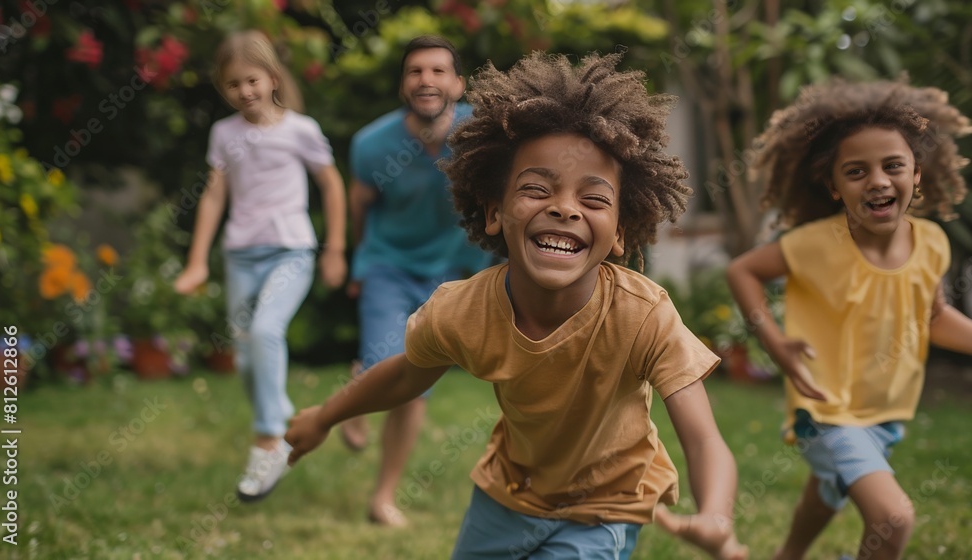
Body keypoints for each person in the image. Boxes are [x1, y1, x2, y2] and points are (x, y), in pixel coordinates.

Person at [286, 51, 747, 559]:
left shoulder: (643, 315)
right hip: (506, 497)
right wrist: (324, 417)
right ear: (493, 212)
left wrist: (715, 515)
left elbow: (703, 438)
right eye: (536, 189)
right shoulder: (464, 311)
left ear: (619, 232)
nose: (564, 208)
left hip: (605, 506)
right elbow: (402, 375)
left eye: (593, 200)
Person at [727, 79, 972, 560]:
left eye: (893, 166)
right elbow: (743, 270)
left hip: (885, 411)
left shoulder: (931, 242)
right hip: (824, 410)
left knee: (828, 488)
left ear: (917, 174)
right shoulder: (815, 244)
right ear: (834, 186)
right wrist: (775, 341)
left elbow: (932, 319)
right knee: (893, 518)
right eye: (856, 171)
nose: (878, 180)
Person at [174, 30, 347, 503]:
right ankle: (280, 413)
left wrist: (334, 248)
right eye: (233, 85)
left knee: (267, 331)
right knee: (247, 356)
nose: (244, 92)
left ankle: (270, 438)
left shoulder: (301, 130)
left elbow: (331, 185)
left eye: (252, 80)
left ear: (272, 78)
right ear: (223, 90)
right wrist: (196, 263)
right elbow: (213, 197)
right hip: (240, 255)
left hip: (291, 252)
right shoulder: (224, 134)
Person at [336, 35, 492, 526]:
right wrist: (359, 260)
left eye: (438, 70)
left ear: (458, 84)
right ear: (404, 85)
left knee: (416, 383)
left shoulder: (482, 133)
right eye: (415, 71)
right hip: (387, 264)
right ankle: (360, 389)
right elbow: (360, 206)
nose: (426, 79)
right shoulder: (371, 144)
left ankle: (382, 496)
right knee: (397, 366)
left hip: (448, 274)